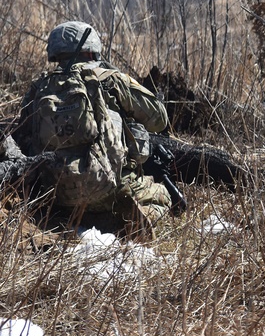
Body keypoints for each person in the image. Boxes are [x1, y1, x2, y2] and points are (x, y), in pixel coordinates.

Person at [12, 21, 174, 237]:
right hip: (113, 189)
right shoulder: (110, 79)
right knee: (163, 196)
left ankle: (63, 220)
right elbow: (159, 120)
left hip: (57, 192)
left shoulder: (38, 88)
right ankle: (130, 219)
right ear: (92, 49)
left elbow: (21, 138)